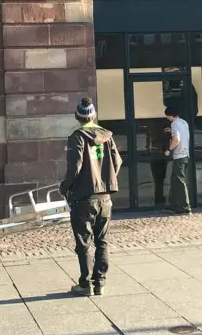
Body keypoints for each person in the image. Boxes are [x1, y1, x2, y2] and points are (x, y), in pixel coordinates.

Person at [59, 97, 122, 297]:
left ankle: (85, 284)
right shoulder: (106, 135)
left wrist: (65, 187)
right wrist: (106, 181)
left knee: (84, 242)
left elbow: (75, 166)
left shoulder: (77, 137)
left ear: (78, 116)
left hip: (83, 196)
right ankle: (100, 283)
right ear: (93, 115)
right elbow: (117, 161)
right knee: (102, 240)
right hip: (105, 197)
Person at [163, 107, 191, 215]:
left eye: (168, 116)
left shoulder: (174, 124)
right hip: (186, 154)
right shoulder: (184, 123)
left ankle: (185, 206)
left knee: (179, 181)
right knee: (175, 180)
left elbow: (177, 139)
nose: (168, 118)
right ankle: (174, 204)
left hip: (179, 156)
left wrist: (169, 150)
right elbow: (183, 135)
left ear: (170, 115)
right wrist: (171, 132)